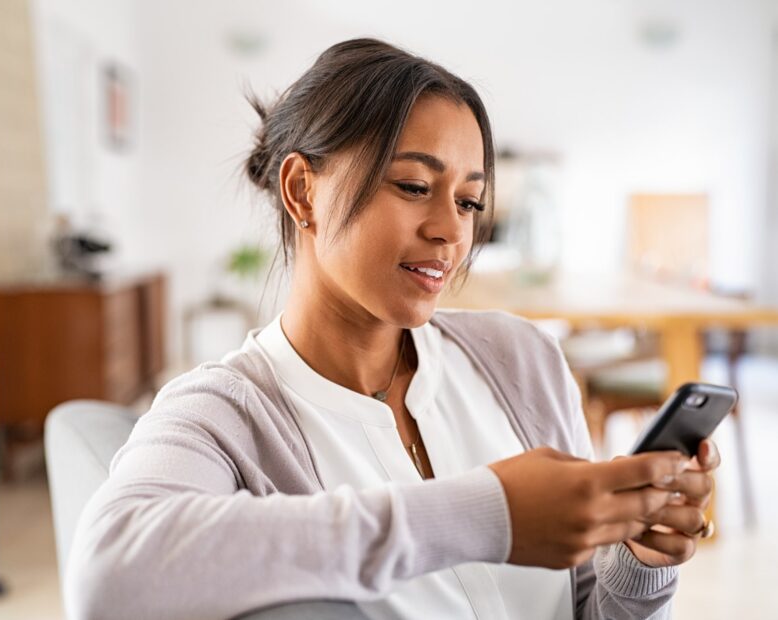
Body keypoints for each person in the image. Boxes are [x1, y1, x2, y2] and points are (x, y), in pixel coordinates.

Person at [65, 38, 720, 620]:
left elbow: (588, 610)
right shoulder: (226, 413)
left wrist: (638, 558)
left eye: (469, 200)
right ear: (302, 191)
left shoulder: (522, 359)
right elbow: (107, 579)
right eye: (412, 185)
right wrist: (489, 516)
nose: (451, 230)